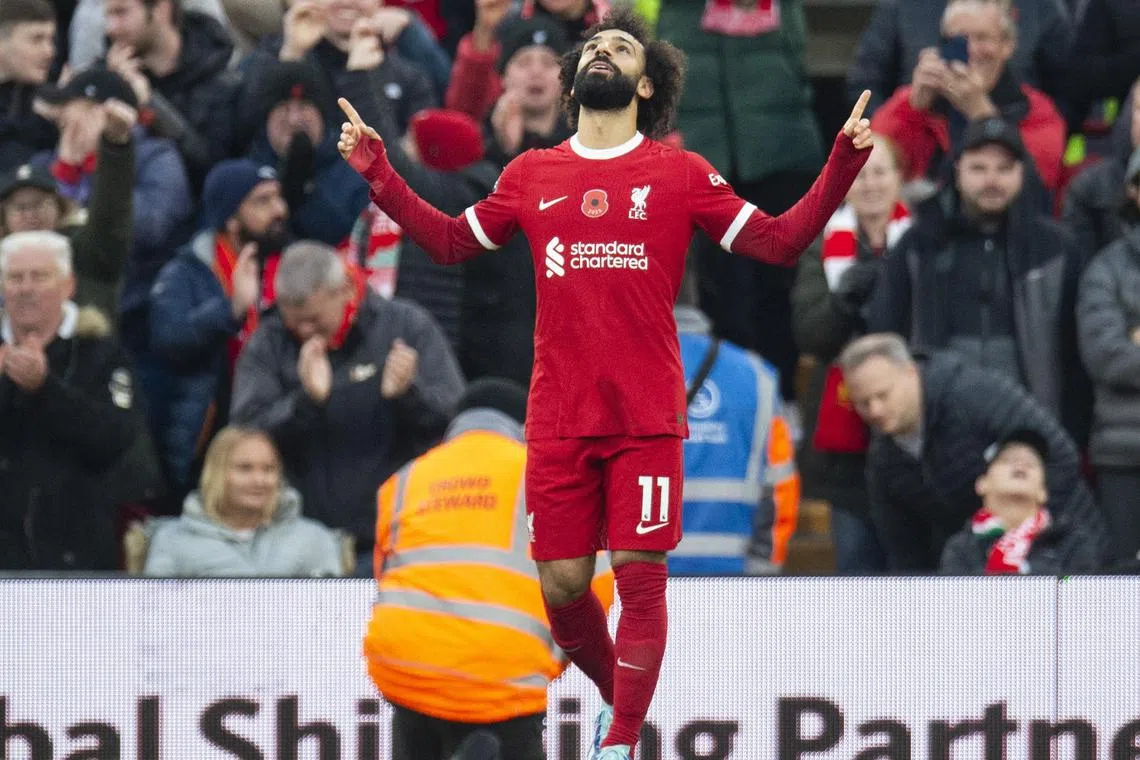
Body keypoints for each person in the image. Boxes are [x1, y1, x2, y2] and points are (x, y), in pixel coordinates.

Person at [337, 8, 873, 758]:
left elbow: (782, 241)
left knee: (639, 572)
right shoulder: (532, 174)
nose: (602, 52)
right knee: (560, 587)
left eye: (619, 46)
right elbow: (452, 241)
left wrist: (843, 162)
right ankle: (622, 703)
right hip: (557, 413)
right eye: (593, 45)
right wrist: (378, 171)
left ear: (644, 81)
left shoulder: (680, 173)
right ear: (573, 81)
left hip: (646, 410)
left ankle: (620, 739)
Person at [364, 378, 614, 760]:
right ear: (527, 428)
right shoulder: (549, 480)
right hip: (499, 678)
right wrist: (554, 662)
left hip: (404, 667)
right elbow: (591, 590)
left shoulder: (405, 479)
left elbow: (385, 574)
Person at [230, 240, 465, 577]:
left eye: (313, 319)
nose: (304, 331)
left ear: (344, 290)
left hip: (394, 540)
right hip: (296, 545)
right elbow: (243, 435)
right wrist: (305, 402)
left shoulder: (407, 327)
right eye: (293, 321)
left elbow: (455, 424)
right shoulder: (271, 341)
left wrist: (408, 395)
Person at [839, 333, 1107, 571]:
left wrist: (1027, 533)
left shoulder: (972, 394)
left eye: (883, 395)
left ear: (911, 373)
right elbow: (904, 549)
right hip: (975, 567)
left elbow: (1060, 454)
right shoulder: (884, 460)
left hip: (1067, 551)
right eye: (863, 403)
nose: (875, 410)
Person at [792, 139, 910, 574]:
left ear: (901, 178)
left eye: (880, 172)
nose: (871, 184)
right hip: (846, 448)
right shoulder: (819, 245)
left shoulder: (922, 241)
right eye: (859, 175)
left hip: (909, 429)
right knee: (856, 566)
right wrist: (843, 301)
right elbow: (809, 333)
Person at [0, 231, 139, 569]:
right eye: (15, 278)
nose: (26, 288)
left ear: (69, 286)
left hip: (76, 554)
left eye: (40, 276)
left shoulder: (102, 353)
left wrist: (44, 388)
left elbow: (113, 439)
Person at [142, 426, 344, 577]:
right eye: (245, 468)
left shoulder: (314, 539)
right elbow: (155, 620)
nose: (259, 480)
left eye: (269, 469)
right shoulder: (172, 540)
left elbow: (332, 619)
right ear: (216, 474)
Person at [1076, 154, 1140, 565]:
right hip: (1124, 455)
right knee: (1123, 579)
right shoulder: (1105, 268)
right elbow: (1106, 357)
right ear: (1132, 191)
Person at [939, 428, 1102, 574]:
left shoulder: (1072, 543)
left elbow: (1077, 599)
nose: (1020, 465)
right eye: (1007, 460)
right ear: (982, 484)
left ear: (1043, 492)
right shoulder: (961, 549)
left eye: (1031, 463)